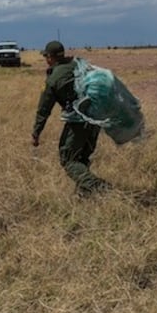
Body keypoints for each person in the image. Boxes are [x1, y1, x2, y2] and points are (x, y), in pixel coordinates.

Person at [31, 40, 109, 197]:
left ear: (50, 58)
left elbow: (43, 110)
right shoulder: (78, 66)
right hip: (97, 118)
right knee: (81, 157)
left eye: (46, 56)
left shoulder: (53, 79)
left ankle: (99, 188)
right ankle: (85, 194)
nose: (46, 60)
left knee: (68, 159)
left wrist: (36, 132)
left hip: (79, 122)